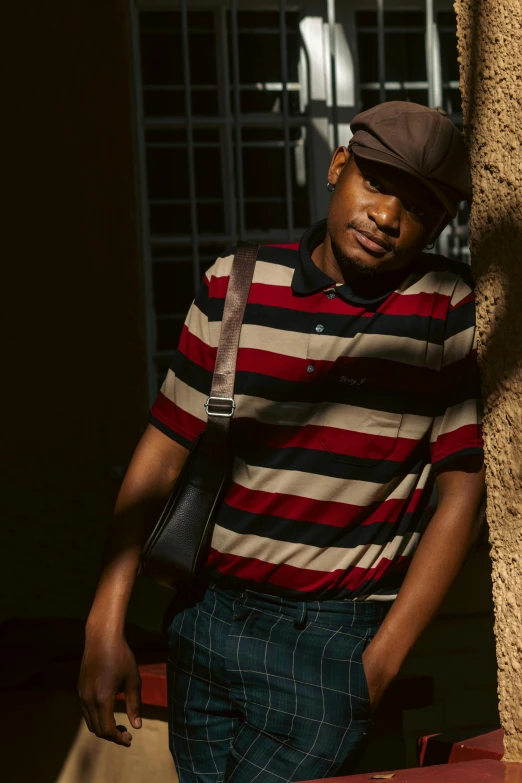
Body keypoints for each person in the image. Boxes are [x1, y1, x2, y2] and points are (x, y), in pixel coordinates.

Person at [78, 102, 485, 782]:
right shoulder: (233, 285)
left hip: (327, 645)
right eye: (376, 183)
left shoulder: (442, 309)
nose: (387, 216)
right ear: (336, 167)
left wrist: (377, 666)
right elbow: (162, 452)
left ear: (439, 226)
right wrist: (104, 617)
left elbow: (460, 499)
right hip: (202, 626)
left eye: (417, 208)